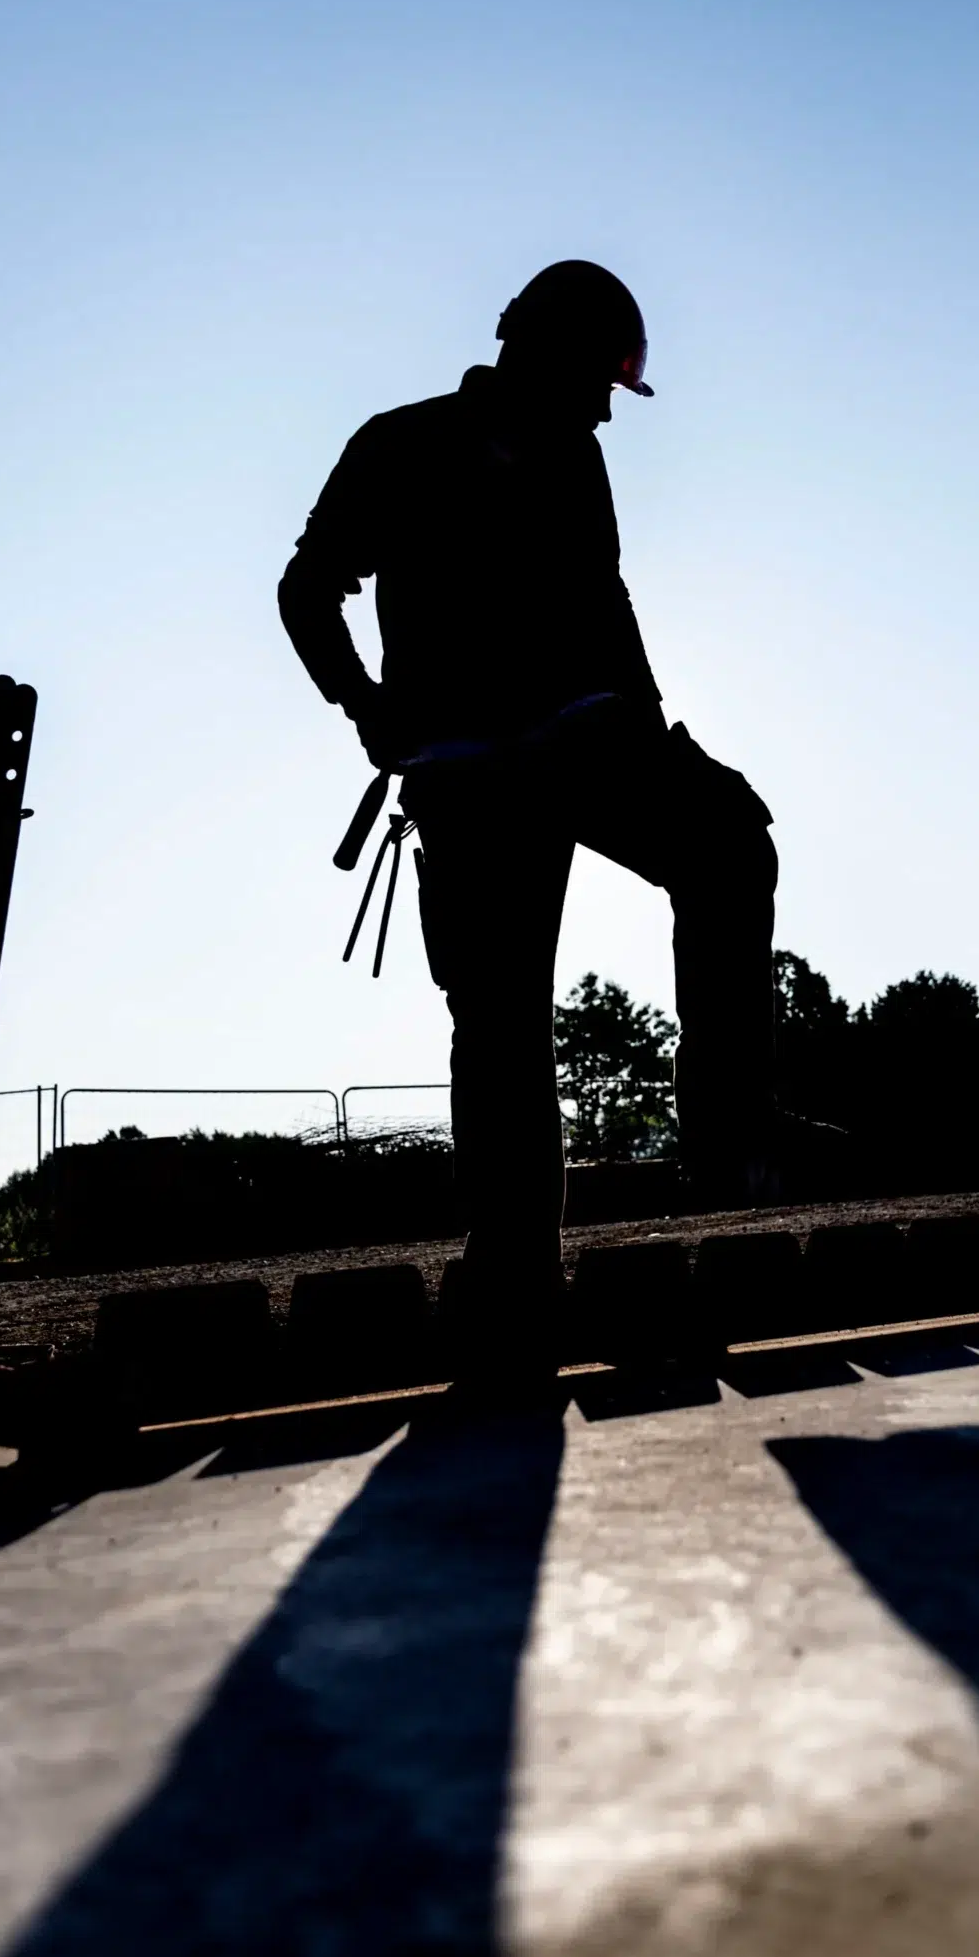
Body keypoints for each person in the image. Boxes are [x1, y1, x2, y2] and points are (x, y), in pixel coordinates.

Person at [278, 261, 778, 1379]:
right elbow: (307, 590)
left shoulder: (574, 455)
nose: (607, 408)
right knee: (502, 1018)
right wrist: (366, 708)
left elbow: (606, 600)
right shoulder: (398, 445)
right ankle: (513, 1275)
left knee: (728, 843)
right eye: (599, 382)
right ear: (545, 355)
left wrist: (657, 734)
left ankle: (725, 1137)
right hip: (473, 773)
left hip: (589, 745)